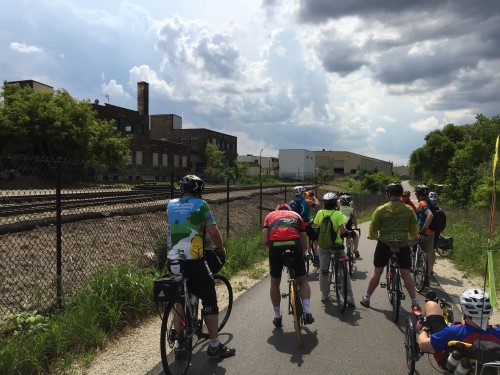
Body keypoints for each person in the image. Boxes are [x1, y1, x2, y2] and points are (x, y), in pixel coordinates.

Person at [166, 174, 236, 358]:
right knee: (210, 298)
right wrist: (221, 249)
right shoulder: (201, 205)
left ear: (182, 190)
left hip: (173, 260)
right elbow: (213, 232)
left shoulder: (171, 205)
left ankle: (180, 343)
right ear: (200, 190)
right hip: (194, 260)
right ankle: (214, 345)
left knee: (178, 299)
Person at [360, 182, 421, 313]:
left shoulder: (381, 210)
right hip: (403, 243)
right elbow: (414, 229)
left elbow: (373, 227)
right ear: (400, 194)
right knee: (405, 273)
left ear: (388, 194)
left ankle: (366, 298)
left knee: (377, 271)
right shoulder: (408, 209)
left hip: (385, 243)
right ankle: (415, 303)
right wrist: (410, 237)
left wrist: (372, 236)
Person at [262, 203, 315, 328]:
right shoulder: (296, 215)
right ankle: (307, 312)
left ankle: (277, 316)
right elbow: (304, 243)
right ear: (289, 210)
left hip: (275, 247)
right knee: (302, 281)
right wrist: (301, 254)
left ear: (277, 210)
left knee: (275, 283)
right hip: (294, 245)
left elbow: (264, 241)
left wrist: (275, 248)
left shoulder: (270, 216)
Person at [418, 288, 500, 366]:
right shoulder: (498, 332)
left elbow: (423, 345)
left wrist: (424, 329)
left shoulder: (451, 332)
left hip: (449, 357)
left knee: (431, 304)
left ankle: (431, 301)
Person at [313, 192, 356, 307]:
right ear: (335, 203)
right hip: (336, 245)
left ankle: (324, 294)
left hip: (323, 246)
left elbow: (316, 226)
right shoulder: (338, 214)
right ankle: (349, 297)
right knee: (343, 270)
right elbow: (342, 231)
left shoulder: (320, 213)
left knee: (323, 270)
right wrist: (348, 234)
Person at [290, 186, 321, 267]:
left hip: (295, 227)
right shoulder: (307, 201)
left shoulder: (291, 203)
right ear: (303, 193)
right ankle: (317, 259)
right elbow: (318, 204)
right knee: (315, 241)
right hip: (306, 226)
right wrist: (312, 196)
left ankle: (301, 256)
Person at [415, 185, 436, 287]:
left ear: (418, 194)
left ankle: (412, 264)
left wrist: (423, 231)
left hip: (421, 232)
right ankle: (427, 278)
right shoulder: (432, 201)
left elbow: (430, 215)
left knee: (408, 245)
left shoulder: (422, 203)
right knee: (428, 254)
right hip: (431, 232)